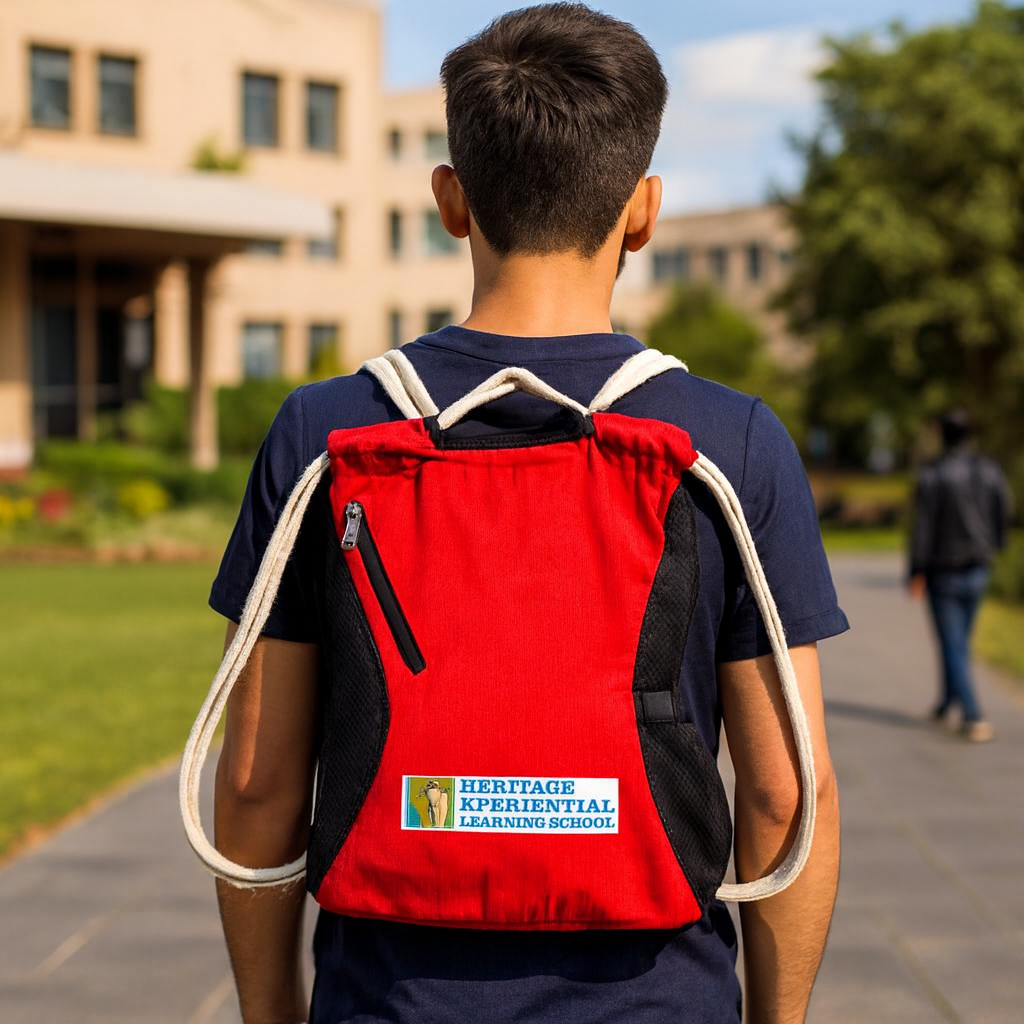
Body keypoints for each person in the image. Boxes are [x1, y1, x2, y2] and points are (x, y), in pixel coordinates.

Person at [208, 5, 845, 1022]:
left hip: (389, 996)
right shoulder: (731, 443)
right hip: (657, 996)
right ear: (642, 212)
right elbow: (783, 799)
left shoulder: (324, 432)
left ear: (449, 200)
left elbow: (252, 784)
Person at [909, 409, 1012, 742]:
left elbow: (922, 526)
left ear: (942, 434)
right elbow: (1003, 509)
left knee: (953, 643)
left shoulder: (934, 473)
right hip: (978, 568)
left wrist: (916, 569)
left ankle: (973, 714)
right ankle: (947, 701)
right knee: (958, 642)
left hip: (944, 571)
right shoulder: (988, 469)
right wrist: (995, 545)